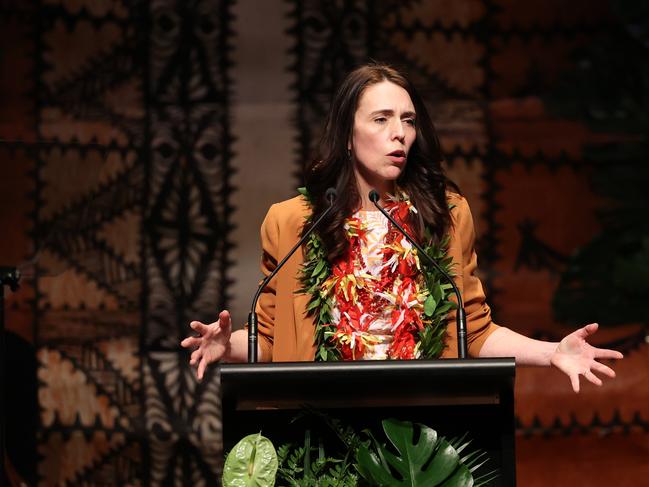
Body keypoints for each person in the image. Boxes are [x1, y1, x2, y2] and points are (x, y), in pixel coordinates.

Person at [181, 63, 622, 392]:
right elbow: (274, 338)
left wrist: (552, 353)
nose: (400, 134)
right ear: (348, 135)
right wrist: (228, 346)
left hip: (420, 434)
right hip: (323, 434)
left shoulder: (444, 215)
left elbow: (474, 331)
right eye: (381, 119)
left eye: (408, 120)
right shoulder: (293, 221)